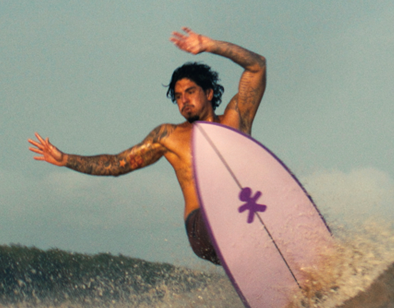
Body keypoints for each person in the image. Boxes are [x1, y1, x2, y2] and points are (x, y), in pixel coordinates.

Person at [28, 27, 266, 264]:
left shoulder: (235, 118)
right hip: (201, 227)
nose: (184, 100)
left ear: (209, 93)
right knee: (235, 214)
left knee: (257, 216)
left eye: (190, 92)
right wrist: (66, 159)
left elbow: (257, 66)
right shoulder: (168, 136)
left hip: (243, 213)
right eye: (178, 95)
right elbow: (116, 164)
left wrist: (210, 45)